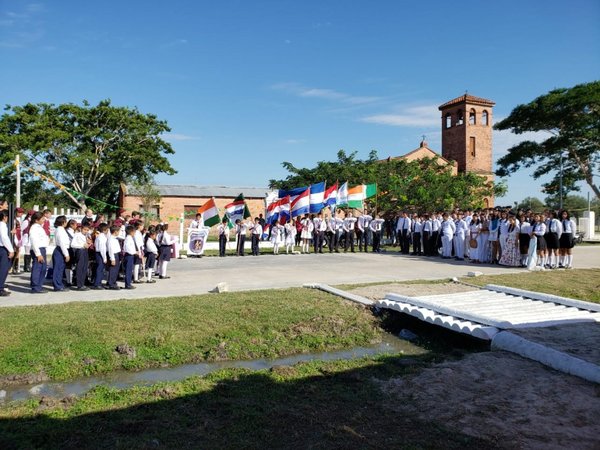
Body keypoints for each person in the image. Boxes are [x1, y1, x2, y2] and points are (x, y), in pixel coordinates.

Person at [29, 211, 49, 293]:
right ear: (36, 220)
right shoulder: (34, 228)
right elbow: (34, 241)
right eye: (42, 218)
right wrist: (38, 254)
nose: (44, 220)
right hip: (38, 249)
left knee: (43, 269)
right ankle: (35, 287)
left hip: (42, 249)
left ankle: (39, 286)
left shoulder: (39, 227)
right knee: (38, 269)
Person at [51, 215, 70, 292]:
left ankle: (59, 284)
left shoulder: (61, 229)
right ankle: (57, 286)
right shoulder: (60, 230)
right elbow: (62, 243)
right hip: (60, 250)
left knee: (61, 268)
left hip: (62, 250)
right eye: (65, 221)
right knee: (58, 269)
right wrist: (66, 254)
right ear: (63, 222)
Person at [71, 223, 91, 291]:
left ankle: (82, 283)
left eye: (87, 230)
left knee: (85, 267)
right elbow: (73, 245)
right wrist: (82, 245)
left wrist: (88, 244)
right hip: (80, 251)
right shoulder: (77, 235)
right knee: (80, 267)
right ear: (81, 229)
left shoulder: (86, 235)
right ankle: (79, 285)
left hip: (85, 251)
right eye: (84, 229)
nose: (86, 231)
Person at [0, 211, 15, 296]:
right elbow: (4, 238)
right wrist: (11, 250)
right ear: (5, 217)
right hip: (3, 249)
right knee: (3, 269)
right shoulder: (2, 225)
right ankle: (0, 288)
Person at [92, 223, 109, 290]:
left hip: (99, 253)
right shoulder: (101, 237)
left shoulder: (100, 236)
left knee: (99, 269)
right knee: (100, 269)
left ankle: (97, 282)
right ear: (105, 230)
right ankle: (97, 283)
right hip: (100, 254)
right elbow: (102, 248)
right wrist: (104, 258)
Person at [107, 225, 122, 290]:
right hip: (113, 255)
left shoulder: (115, 238)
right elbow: (111, 250)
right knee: (113, 270)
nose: (119, 232)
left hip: (117, 254)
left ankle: (114, 282)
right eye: (119, 231)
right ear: (115, 232)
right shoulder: (111, 240)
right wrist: (112, 259)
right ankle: (111, 284)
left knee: (116, 270)